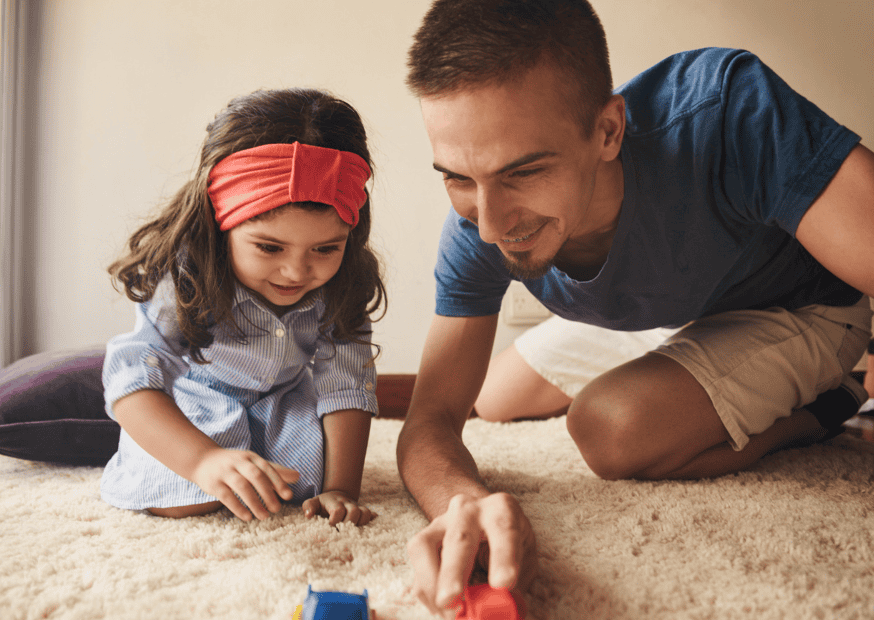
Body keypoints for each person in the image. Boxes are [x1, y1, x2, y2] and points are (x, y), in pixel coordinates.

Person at [396, 0, 874, 616]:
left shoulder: (725, 111)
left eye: (523, 172)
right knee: (495, 397)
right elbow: (430, 421)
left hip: (807, 306)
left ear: (608, 131)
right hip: (687, 307)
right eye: (458, 177)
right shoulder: (478, 224)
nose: (489, 225)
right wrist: (462, 502)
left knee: (610, 427)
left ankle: (830, 402)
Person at [100, 88, 386, 527]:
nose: (296, 271)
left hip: (284, 403)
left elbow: (346, 381)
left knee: (301, 483)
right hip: (195, 400)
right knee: (184, 495)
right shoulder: (185, 272)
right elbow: (134, 374)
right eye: (269, 247)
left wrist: (341, 488)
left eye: (325, 248)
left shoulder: (343, 283)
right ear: (221, 222)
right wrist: (202, 462)